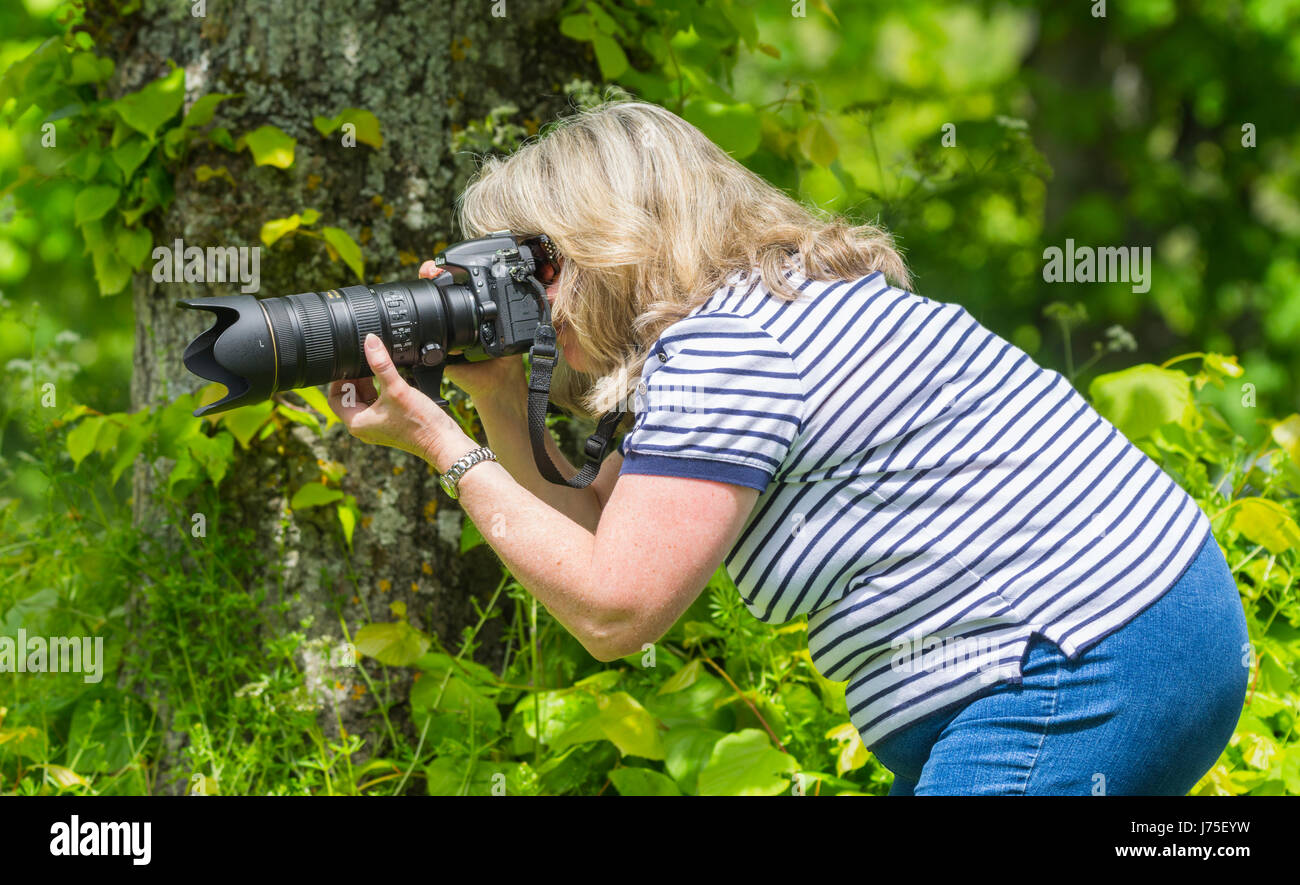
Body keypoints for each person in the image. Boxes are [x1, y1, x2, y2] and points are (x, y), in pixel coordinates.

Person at [327, 99, 1248, 795]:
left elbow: (616, 608)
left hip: (1082, 653)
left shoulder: (727, 352)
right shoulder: (754, 315)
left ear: (616, 238)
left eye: (540, 265)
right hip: (1133, 631)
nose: (530, 298)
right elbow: (608, 527)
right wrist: (489, 399)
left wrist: (440, 443)